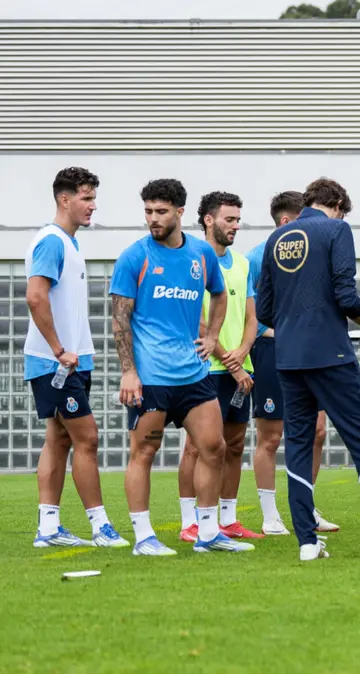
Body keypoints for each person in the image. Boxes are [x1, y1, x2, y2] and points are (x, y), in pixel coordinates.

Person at [257, 177, 360, 561]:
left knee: (297, 446)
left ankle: (307, 542)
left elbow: (264, 310)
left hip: (288, 358)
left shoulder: (277, 238)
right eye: (342, 210)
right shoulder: (337, 229)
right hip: (330, 355)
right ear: (335, 204)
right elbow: (345, 294)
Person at [111, 178, 252, 555]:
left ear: (179, 213)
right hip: (151, 377)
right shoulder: (134, 257)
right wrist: (129, 371)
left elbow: (219, 294)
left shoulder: (201, 256)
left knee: (214, 446)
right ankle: (144, 537)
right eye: (148, 212)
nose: (153, 219)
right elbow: (119, 320)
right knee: (144, 452)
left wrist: (212, 336)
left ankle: (207, 534)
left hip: (193, 373)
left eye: (160, 212)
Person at [26, 167, 128, 548]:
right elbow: (35, 296)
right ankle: (100, 526)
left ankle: (48, 529)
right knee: (87, 439)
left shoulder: (70, 244)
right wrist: (58, 350)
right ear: (64, 199)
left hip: (70, 362)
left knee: (59, 440)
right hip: (56, 364)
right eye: (86, 198)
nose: (92, 206)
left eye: (93, 198)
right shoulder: (51, 242)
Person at [248, 191, 338, 536]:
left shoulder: (314, 256)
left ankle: (307, 507)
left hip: (311, 352)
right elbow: (253, 317)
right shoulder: (257, 258)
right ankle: (271, 516)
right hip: (272, 351)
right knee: (271, 437)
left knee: (317, 432)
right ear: (287, 222)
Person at [177, 192, 264, 542]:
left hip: (241, 367)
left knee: (235, 444)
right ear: (209, 220)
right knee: (198, 447)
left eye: (238, 219)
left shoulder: (242, 264)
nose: (236, 226)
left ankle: (228, 519)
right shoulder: (191, 259)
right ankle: (190, 522)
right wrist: (229, 359)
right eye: (230, 219)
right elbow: (191, 318)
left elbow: (251, 316)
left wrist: (243, 352)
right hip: (204, 368)